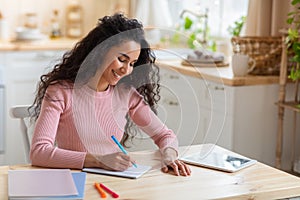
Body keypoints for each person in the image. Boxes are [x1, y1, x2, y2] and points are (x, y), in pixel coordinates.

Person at [29, 13, 191, 176]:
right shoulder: (61, 92)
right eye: (122, 59)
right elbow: (39, 152)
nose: (126, 70)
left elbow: (164, 135)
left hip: (114, 180)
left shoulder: (125, 94)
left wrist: (170, 156)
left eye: (132, 64)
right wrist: (99, 161)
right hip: (73, 179)